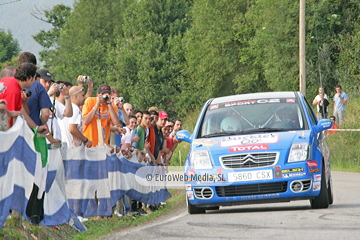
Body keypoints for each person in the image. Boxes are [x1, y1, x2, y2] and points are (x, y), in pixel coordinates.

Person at [82, 84, 120, 148]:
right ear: (98, 95)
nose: (105, 97)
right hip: (89, 143)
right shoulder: (90, 101)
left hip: (102, 145)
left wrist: (109, 104)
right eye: (103, 94)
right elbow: (85, 121)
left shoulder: (112, 106)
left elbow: (116, 123)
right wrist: (97, 104)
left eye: (108, 94)